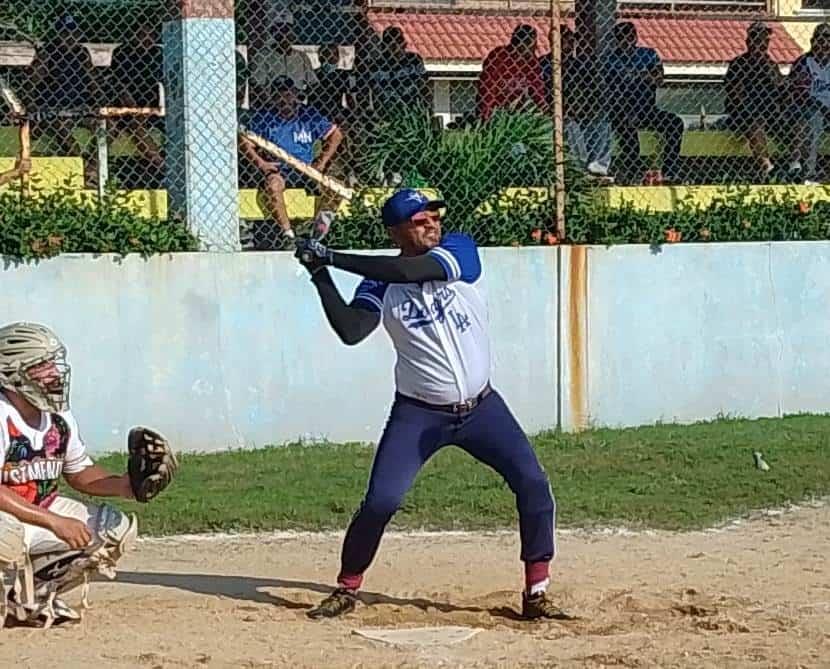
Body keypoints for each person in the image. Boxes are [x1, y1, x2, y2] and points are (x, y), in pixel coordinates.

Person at [293, 189, 565, 621]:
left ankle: (537, 591)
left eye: (433, 218)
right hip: (418, 414)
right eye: (420, 222)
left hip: (482, 408)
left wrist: (331, 256)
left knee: (533, 484)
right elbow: (351, 329)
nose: (432, 226)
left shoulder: (459, 250)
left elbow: (410, 269)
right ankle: (347, 587)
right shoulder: (379, 283)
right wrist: (319, 273)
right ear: (396, 231)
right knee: (381, 501)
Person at [0, 322, 175, 628]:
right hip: (7, 515)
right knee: (7, 536)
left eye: (53, 362)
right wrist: (54, 521)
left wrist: (127, 485)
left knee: (113, 529)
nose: (54, 372)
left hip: (34, 510)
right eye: (41, 365)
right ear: (12, 373)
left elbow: (79, 472)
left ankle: (26, 600)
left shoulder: (57, 415)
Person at [240, 76, 344, 246]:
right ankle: (289, 236)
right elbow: (245, 141)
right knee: (273, 186)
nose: (283, 99)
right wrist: (261, 163)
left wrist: (322, 162)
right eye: (278, 96)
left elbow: (336, 134)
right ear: (272, 98)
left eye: (288, 94)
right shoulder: (264, 118)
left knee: (335, 187)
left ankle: (318, 234)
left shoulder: (308, 114)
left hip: (306, 169)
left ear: (295, 94)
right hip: (280, 170)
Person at [603, 22, 685, 184]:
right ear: (616, 40)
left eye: (629, 37)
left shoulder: (647, 54)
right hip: (621, 109)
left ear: (635, 37)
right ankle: (633, 172)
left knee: (675, 123)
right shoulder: (610, 60)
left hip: (646, 108)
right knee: (628, 131)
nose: (626, 41)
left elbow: (659, 78)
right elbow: (609, 89)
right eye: (621, 38)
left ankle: (670, 170)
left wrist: (640, 76)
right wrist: (643, 75)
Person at [541, 27, 611, 177]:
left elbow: (592, 92)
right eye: (566, 40)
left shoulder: (580, 65)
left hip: (580, 112)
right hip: (553, 114)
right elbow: (541, 94)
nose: (571, 44)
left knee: (602, 121)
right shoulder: (543, 65)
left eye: (572, 40)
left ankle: (597, 165)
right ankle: (578, 167)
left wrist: (586, 109)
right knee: (570, 124)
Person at [723, 22, 784, 180]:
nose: (762, 43)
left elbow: (781, 89)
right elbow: (735, 96)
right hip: (744, 115)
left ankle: (795, 166)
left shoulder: (770, 65)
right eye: (757, 39)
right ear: (749, 41)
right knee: (755, 121)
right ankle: (768, 167)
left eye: (765, 40)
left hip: (769, 114)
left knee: (795, 121)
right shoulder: (739, 64)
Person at [786, 23, 830, 185]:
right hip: (808, 109)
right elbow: (799, 94)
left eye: (828, 39)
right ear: (812, 42)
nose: (825, 44)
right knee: (814, 118)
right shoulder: (804, 63)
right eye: (820, 40)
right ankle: (809, 173)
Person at [478, 24, 546, 121]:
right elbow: (487, 88)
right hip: (495, 108)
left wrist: (545, 109)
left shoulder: (531, 62)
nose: (535, 47)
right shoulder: (499, 57)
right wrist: (486, 115)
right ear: (522, 44)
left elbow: (537, 88)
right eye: (532, 43)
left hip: (516, 112)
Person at [247, 22, 318, 108]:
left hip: (296, 104)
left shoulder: (302, 56)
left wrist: (301, 97)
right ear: (274, 36)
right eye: (281, 33)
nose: (285, 37)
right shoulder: (263, 56)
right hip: (271, 105)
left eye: (289, 34)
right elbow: (257, 85)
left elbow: (313, 83)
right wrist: (273, 102)